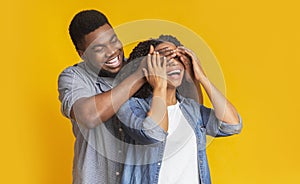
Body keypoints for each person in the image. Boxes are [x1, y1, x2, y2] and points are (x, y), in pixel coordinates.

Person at [116, 38, 243, 184]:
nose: (173, 62)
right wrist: (159, 86)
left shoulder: (190, 109)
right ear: (148, 66)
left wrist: (201, 77)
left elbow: (233, 125)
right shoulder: (130, 106)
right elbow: (154, 133)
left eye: (178, 57)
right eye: (164, 57)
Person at [57, 10, 149, 184]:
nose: (112, 51)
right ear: (81, 53)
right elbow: (88, 116)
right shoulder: (73, 77)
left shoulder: (139, 66)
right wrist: (139, 76)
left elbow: (190, 118)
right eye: (99, 48)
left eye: (113, 40)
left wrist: (191, 73)